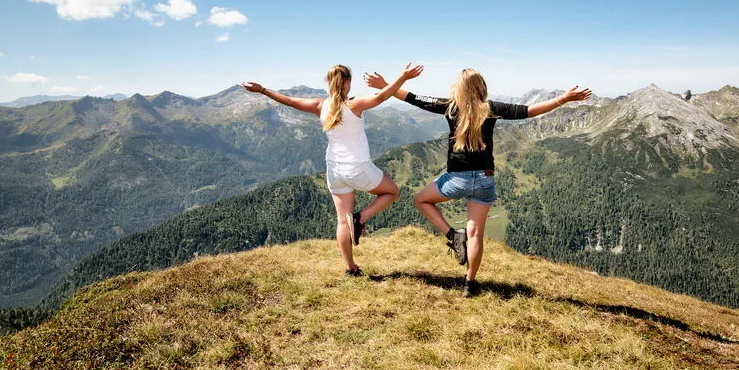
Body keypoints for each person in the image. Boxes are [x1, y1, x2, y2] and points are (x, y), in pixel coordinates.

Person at [365, 68, 591, 297]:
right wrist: (563, 99)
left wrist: (385, 84)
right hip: (485, 179)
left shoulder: (451, 107)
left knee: (421, 200)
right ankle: (469, 284)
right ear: (481, 87)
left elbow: (414, 98)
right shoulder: (491, 109)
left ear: (459, 88)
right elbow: (529, 111)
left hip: (456, 179)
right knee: (475, 235)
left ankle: (453, 236)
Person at [242, 63, 423, 276]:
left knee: (341, 220)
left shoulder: (320, 105)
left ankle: (350, 268)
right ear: (347, 83)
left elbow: (290, 101)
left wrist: (262, 89)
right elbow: (382, 96)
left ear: (329, 84)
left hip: (335, 171)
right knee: (392, 192)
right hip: (358, 167)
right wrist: (402, 77)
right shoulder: (355, 104)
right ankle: (361, 218)